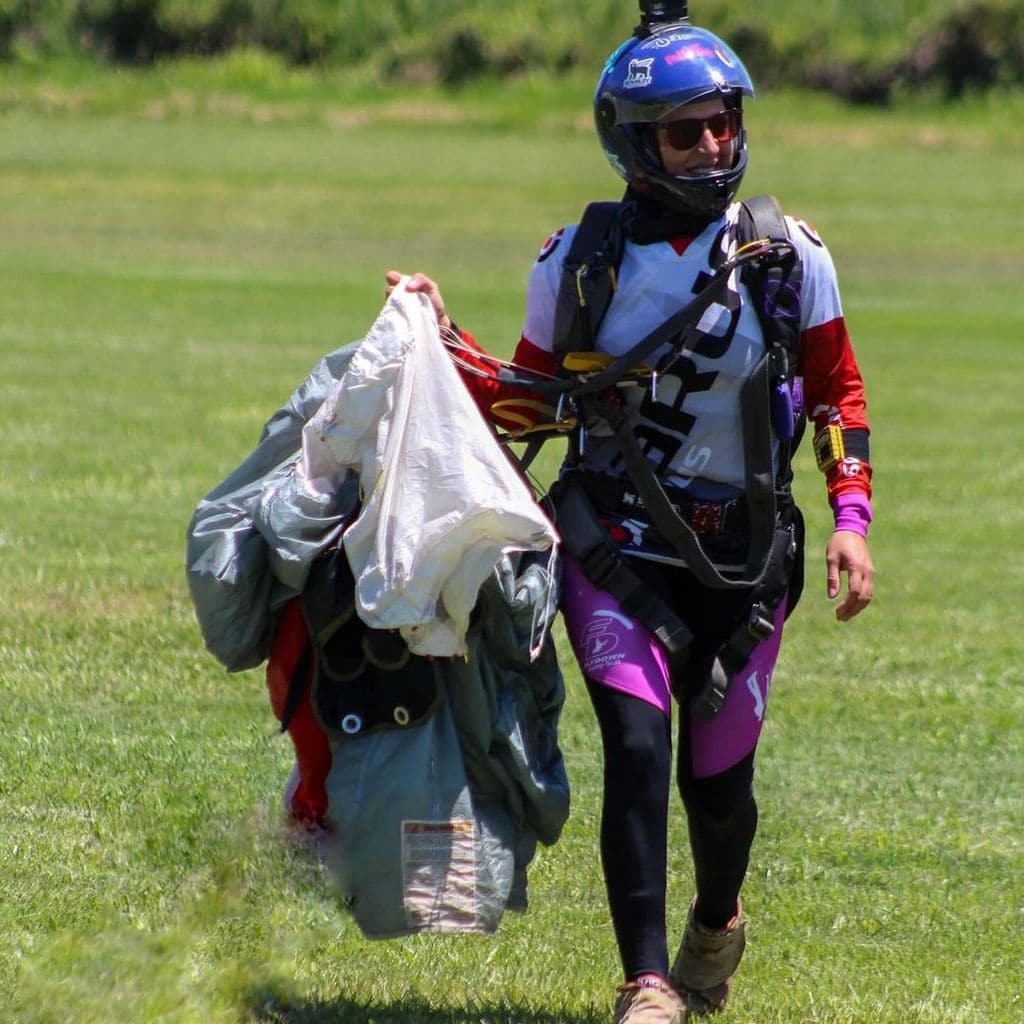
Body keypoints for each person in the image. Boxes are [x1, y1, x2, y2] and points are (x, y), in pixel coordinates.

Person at [385, 6, 874, 1021]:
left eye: (723, 124)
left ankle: (714, 923)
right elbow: (526, 401)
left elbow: (836, 392)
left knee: (719, 787)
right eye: (684, 129)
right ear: (629, 139)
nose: (710, 146)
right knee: (640, 751)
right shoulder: (579, 261)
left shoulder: (790, 258)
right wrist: (439, 332)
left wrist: (851, 520)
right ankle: (647, 982)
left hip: (746, 566)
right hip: (616, 550)